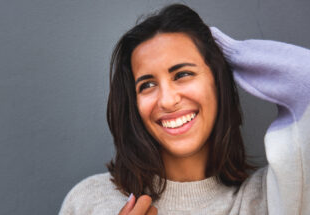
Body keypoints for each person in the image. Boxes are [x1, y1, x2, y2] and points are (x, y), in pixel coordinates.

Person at [59, 4, 310, 215]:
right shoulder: (90, 201)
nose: (167, 100)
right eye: (147, 84)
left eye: (183, 74)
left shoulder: (271, 199)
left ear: (217, 81)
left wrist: (231, 53)